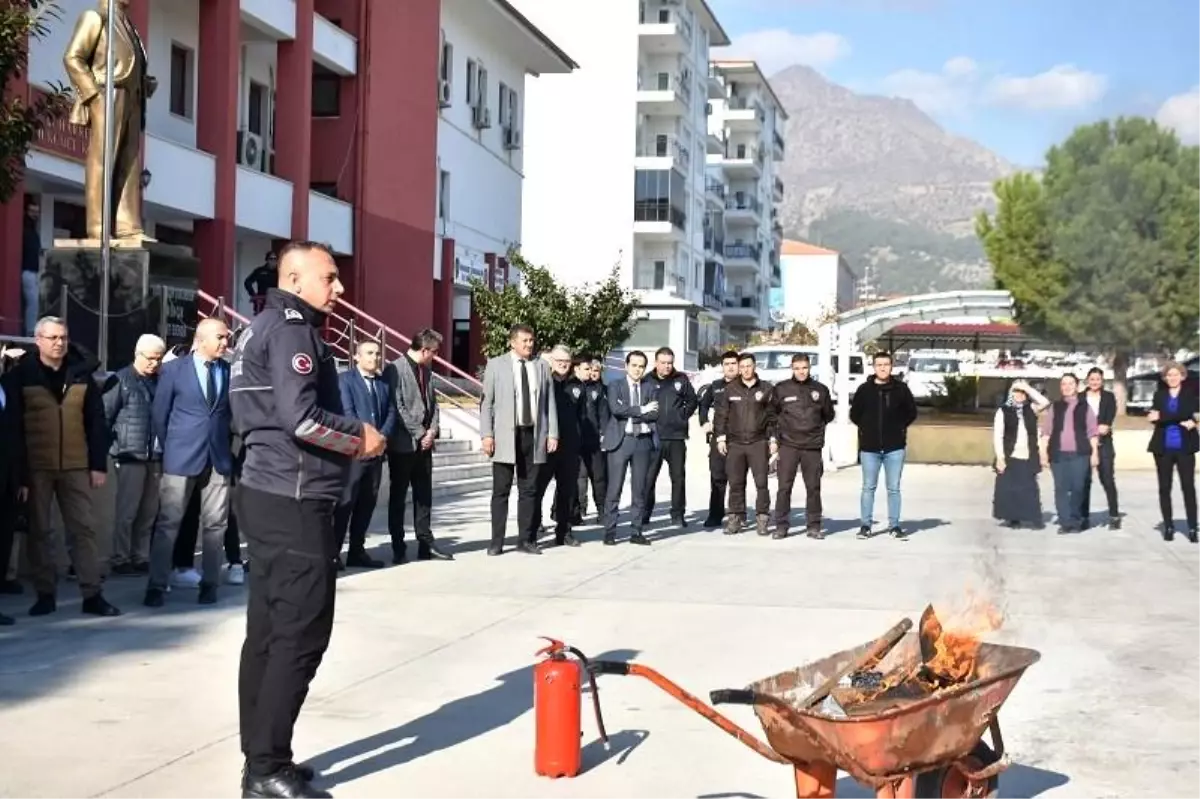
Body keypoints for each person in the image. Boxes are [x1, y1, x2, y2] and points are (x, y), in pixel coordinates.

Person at [229, 240, 386, 799]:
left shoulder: (258, 326)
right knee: (300, 635)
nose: (339, 288)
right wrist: (358, 438)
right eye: (330, 277)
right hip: (294, 500)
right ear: (295, 280)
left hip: (265, 493)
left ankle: (263, 759)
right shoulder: (293, 329)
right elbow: (300, 419)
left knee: (268, 635)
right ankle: (267, 768)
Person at [11, 316, 118, 617]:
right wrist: (20, 475)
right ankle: (45, 594)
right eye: (52, 338)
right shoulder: (23, 375)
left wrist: (98, 465)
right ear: (38, 341)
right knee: (40, 531)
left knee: (83, 530)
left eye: (63, 338)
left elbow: (97, 422)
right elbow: (13, 429)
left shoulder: (80, 374)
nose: (59, 343)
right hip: (37, 467)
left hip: (75, 465)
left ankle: (92, 594)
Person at [143, 319, 234, 607]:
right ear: (202, 339)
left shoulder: (228, 370)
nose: (225, 343)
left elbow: (229, 415)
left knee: (215, 525)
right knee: (168, 523)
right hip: (180, 457)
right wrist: (172, 448)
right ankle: (157, 585)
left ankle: (210, 583)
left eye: (226, 338)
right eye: (220, 337)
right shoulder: (172, 370)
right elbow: (160, 415)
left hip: (218, 458)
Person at [479, 324, 558, 556]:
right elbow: (487, 403)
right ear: (512, 342)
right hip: (505, 435)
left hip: (533, 435)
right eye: (524, 341)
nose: (529, 344)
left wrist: (552, 433)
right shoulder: (495, 365)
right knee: (500, 490)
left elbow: (549, 402)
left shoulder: (542, 366)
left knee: (530, 490)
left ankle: (526, 539)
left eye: (531, 340)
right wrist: (487, 434)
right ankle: (497, 541)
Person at [384, 329, 453, 562]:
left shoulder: (427, 370)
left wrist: (432, 431)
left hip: (425, 446)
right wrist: (420, 432)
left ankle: (426, 543)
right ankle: (398, 545)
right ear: (423, 350)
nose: (435, 356)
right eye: (433, 352)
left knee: (424, 496)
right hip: (403, 446)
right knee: (399, 497)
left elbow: (434, 403)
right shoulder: (395, 369)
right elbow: (398, 406)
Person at [103, 333, 166, 575]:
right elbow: (105, 416)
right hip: (129, 455)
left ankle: (141, 556)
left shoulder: (161, 380)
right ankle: (120, 558)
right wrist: (112, 450)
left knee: (148, 512)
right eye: (150, 358)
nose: (155, 363)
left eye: (159, 359)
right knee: (127, 512)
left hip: (155, 456)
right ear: (137, 355)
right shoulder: (121, 379)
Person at [334, 339, 394, 570]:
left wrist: (381, 437)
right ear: (357, 356)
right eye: (369, 353)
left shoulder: (383, 383)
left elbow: (390, 412)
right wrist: (365, 437)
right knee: (345, 503)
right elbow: (347, 412)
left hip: (376, 454)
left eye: (378, 353)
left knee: (367, 503)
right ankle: (333, 553)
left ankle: (357, 552)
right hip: (353, 452)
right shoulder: (345, 381)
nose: (375, 357)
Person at [850, 351, 918, 540]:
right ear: (873, 367)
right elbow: (855, 414)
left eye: (886, 364)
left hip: (894, 448)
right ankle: (865, 525)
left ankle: (894, 526)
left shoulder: (901, 389)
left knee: (893, 488)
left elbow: (911, 412)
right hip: (869, 448)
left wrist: (898, 428)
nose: (882, 368)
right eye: (879, 364)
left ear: (891, 366)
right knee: (868, 487)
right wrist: (866, 428)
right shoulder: (864, 390)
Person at [771, 353, 834, 539]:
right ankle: (781, 526)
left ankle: (814, 526)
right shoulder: (781, 389)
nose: (801, 372)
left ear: (809, 368)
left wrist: (815, 429)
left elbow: (828, 415)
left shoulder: (820, 390)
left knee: (813, 487)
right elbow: (772, 415)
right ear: (792, 368)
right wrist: (775, 438)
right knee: (784, 487)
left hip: (812, 446)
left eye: (804, 368)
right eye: (797, 368)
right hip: (788, 445)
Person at [714, 352, 776, 536]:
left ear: (755, 366)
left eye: (749, 366)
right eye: (742, 367)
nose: (745, 370)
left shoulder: (766, 388)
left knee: (762, 483)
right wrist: (720, 437)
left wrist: (773, 439)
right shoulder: (730, 389)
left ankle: (762, 518)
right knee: (735, 483)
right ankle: (735, 518)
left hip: (758, 443)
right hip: (736, 443)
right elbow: (721, 415)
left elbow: (773, 417)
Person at [602, 351, 658, 545]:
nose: (637, 369)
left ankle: (636, 531)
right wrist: (642, 410)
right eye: (634, 365)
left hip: (642, 441)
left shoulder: (650, 387)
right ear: (626, 366)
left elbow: (655, 415)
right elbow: (616, 410)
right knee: (614, 488)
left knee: (639, 489)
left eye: (641, 366)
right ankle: (610, 530)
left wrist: (631, 411)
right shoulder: (615, 385)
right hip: (621, 441)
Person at [642, 346, 697, 528]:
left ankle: (678, 514)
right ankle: (644, 513)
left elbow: (692, 401)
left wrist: (682, 416)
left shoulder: (681, 379)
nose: (667, 366)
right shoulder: (646, 380)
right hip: (653, 437)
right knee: (648, 478)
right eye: (663, 363)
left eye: (670, 363)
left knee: (678, 478)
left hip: (676, 437)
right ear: (656, 363)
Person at [1039, 373, 1099, 534]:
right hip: (1058, 454)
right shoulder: (1055, 407)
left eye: (1070, 383)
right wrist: (1043, 453)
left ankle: (1075, 518)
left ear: (1077, 386)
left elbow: (1092, 433)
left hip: (1080, 454)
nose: (1067, 387)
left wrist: (1095, 455)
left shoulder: (1085, 407)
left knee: (1078, 487)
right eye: (1063, 384)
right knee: (1061, 488)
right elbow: (1046, 432)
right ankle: (1066, 523)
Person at [1147, 362, 1199, 543]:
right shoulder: (1159, 395)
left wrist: (1162, 417)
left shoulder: (1189, 394)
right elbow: (1155, 416)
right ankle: (1168, 526)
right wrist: (1157, 418)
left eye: (1176, 374)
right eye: (1169, 375)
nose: (1172, 378)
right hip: (1163, 448)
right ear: (1165, 378)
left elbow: (1186, 412)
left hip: (1185, 447)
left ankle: (1192, 528)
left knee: (1188, 487)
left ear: (1183, 376)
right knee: (1164, 488)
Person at [539, 345, 583, 547]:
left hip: (570, 447)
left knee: (567, 491)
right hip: (547, 445)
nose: (564, 364)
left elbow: (582, 417)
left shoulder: (577, 385)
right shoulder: (544, 382)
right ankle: (532, 529)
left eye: (567, 361)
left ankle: (564, 531)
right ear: (552, 362)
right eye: (559, 361)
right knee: (537, 489)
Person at [992, 380, 1050, 529]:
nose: (1019, 394)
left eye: (1022, 392)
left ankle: (1034, 517)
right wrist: (1000, 457)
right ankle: (1013, 518)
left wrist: (1027, 387)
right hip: (1010, 455)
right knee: (1010, 489)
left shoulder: (1031, 408)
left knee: (1030, 489)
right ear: (1011, 393)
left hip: (1028, 455)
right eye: (1016, 391)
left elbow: (1045, 401)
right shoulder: (1003, 411)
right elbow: (998, 435)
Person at [698, 351, 739, 528]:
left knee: (737, 479)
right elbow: (703, 405)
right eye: (727, 363)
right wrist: (705, 422)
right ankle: (715, 513)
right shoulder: (715, 386)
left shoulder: (744, 385)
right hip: (718, 438)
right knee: (717, 477)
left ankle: (737, 514)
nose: (730, 367)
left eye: (733, 363)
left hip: (740, 438)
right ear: (722, 366)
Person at [0, 362, 26, 625]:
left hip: (9, 478)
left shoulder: (8, 385)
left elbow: (16, 436)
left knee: (4, 538)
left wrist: (21, 479)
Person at [1080, 367, 1120, 530]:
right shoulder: (1080, 398)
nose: (1095, 382)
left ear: (1102, 381)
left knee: (1108, 480)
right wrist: (1094, 429)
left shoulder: (1109, 397)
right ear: (1087, 380)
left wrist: (1101, 428)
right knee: (1083, 482)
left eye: (1098, 379)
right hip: (1083, 444)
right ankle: (1083, 516)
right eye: (1092, 379)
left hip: (1104, 444)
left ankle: (1114, 515)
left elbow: (1107, 422)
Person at [572, 355, 608, 525]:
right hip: (576, 441)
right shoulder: (570, 387)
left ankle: (602, 511)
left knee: (599, 477)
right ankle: (578, 512)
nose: (590, 373)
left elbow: (603, 413)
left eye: (592, 370)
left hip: (594, 441)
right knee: (579, 478)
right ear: (577, 369)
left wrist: (604, 433)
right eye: (587, 369)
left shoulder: (597, 389)